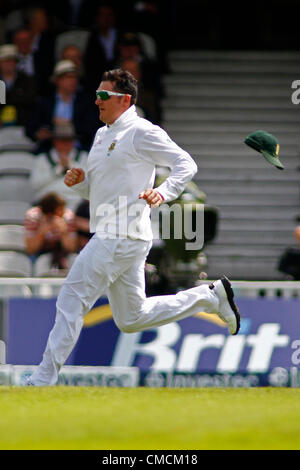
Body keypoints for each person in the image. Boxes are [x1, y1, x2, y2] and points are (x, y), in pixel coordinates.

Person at [27, 68, 240, 386]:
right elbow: (101, 190)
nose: (97, 101)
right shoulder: (102, 134)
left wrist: (163, 192)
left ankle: (43, 379)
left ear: (125, 100)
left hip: (120, 235)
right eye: (96, 95)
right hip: (119, 235)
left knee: (71, 298)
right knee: (131, 318)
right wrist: (81, 184)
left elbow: (186, 163)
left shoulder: (142, 131)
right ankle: (210, 297)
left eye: (103, 96)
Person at [25, 59, 99, 153]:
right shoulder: (45, 102)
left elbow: (92, 128)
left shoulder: (85, 101)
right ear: (57, 80)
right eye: (68, 77)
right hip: (49, 148)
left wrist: (70, 124)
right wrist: (40, 133)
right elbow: (30, 128)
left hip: (77, 149)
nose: (73, 81)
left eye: (75, 77)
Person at [29, 122, 88, 210]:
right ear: (55, 141)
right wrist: (58, 169)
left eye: (68, 140)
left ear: (73, 141)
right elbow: (35, 184)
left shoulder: (84, 156)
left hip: (77, 204)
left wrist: (70, 165)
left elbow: (89, 181)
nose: (64, 144)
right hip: (48, 204)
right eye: (61, 140)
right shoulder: (42, 158)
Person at [24, 192, 78, 270]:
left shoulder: (68, 217)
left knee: (74, 259)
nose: (63, 212)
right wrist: (41, 232)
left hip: (62, 250)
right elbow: (31, 249)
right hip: (39, 251)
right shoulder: (33, 218)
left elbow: (72, 248)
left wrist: (64, 232)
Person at [0, 44, 36, 126]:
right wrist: (16, 96)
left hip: (22, 125)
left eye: (11, 60)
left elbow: (29, 101)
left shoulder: (26, 80)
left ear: (16, 62)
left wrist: (5, 98)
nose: (8, 64)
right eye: (5, 61)